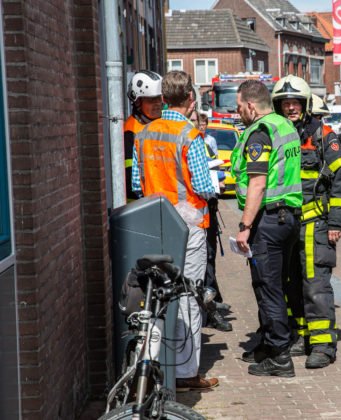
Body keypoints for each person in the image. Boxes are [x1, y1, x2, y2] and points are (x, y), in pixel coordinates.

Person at [131, 70, 219, 390]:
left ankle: (154, 367)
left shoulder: (144, 133)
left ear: (164, 98)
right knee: (188, 297)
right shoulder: (189, 134)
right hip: (190, 225)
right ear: (191, 98)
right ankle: (185, 373)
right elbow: (204, 186)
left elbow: (136, 184)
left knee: (157, 296)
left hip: (155, 222)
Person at [272, 75, 341, 369]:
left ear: (304, 105)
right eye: (285, 103)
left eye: (295, 103)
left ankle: (322, 345)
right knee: (290, 284)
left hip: (315, 224)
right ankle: (301, 336)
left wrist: (336, 222)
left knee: (316, 285)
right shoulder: (275, 134)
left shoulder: (322, 135)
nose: (290, 108)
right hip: (284, 224)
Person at [231, 79, 303, 377]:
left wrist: (245, 226)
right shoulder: (285, 126)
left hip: (268, 221)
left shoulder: (260, 133)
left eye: (238, 107)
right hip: (288, 218)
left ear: (250, 105)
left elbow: (258, 184)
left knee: (267, 287)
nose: (238, 113)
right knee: (276, 284)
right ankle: (268, 344)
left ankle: (280, 355)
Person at [192, 112, 233, 332]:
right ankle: (208, 311)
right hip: (196, 214)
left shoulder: (206, 145)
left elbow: (217, 171)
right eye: (196, 122)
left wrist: (219, 178)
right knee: (203, 261)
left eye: (202, 123)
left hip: (209, 210)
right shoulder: (190, 144)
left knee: (210, 257)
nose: (201, 126)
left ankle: (212, 301)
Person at [124, 70, 163, 201]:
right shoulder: (130, 133)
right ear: (137, 103)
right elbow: (129, 182)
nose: (158, 103)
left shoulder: (159, 125)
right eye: (152, 100)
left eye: (159, 98)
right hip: (140, 205)